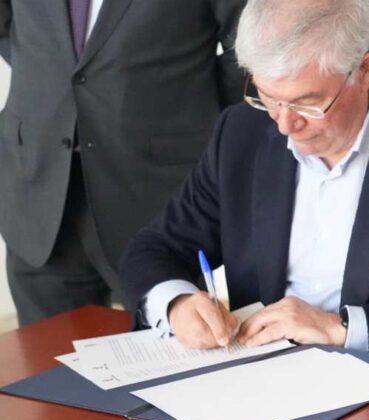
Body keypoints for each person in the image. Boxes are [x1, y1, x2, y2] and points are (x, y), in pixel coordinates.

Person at [118, 0, 369, 368]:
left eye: (306, 103)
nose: (283, 123)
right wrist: (177, 303)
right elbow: (157, 247)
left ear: (364, 70)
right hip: (252, 381)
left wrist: (340, 329)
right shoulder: (242, 132)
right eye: (268, 97)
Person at [0, 0, 246, 326]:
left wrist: (203, 111)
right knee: (46, 366)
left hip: (157, 191)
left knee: (173, 361)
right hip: (40, 190)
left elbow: (251, 43)